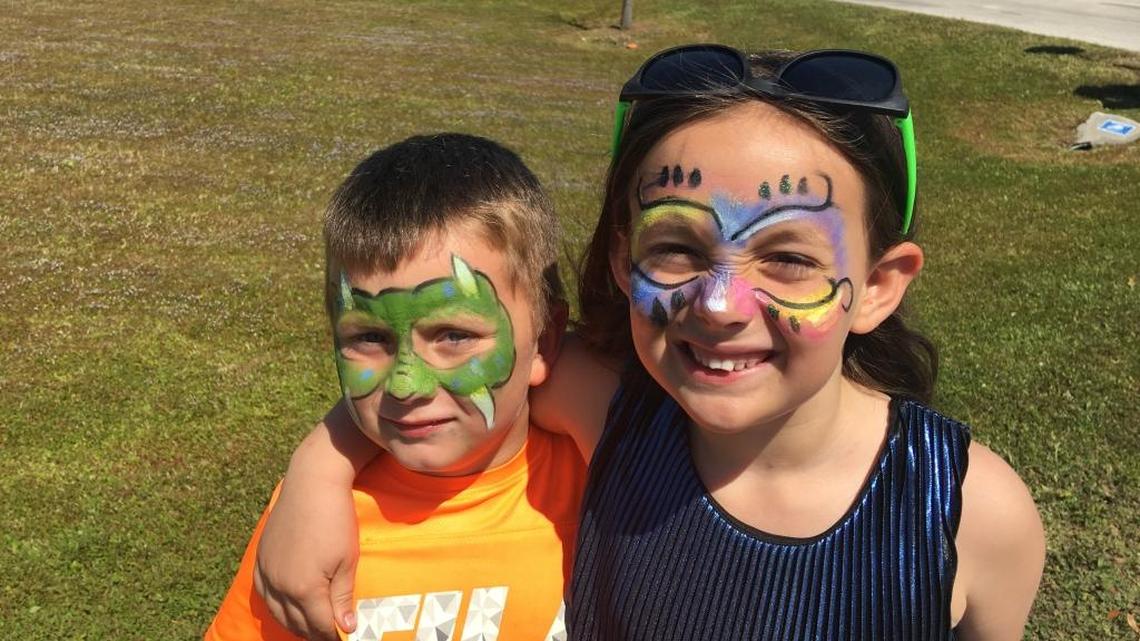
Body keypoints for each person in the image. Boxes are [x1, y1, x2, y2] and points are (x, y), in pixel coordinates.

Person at [254, 46, 1046, 641]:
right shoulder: (618, 418)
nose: (722, 303)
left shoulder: (973, 512)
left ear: (878, 283)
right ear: (622, 258)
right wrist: (317, 470)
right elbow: (439, 365)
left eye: (789, 258)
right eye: (678, 250)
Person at [204, 133, 587, 641]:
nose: (406, 385)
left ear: (543, 341)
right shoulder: (313, 528)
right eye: (370, 337)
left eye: (454, 335)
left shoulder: (605, 484)